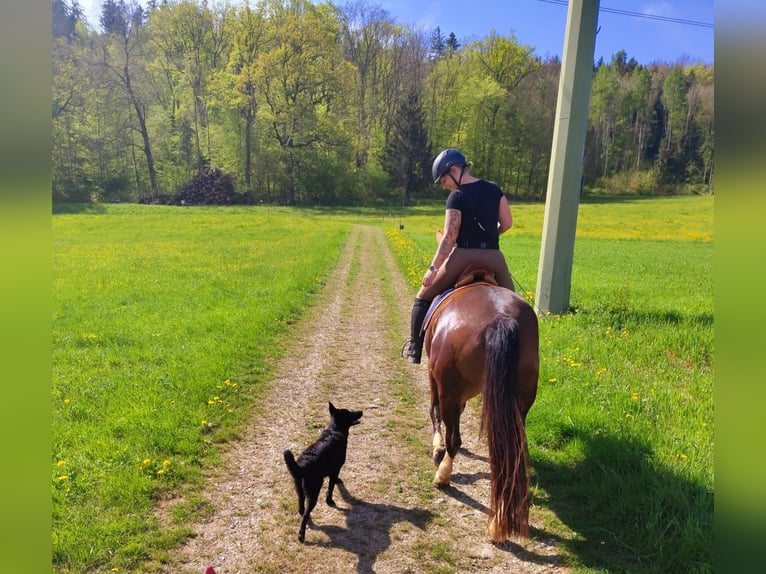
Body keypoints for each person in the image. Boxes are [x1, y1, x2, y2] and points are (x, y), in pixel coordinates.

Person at [402, 148, 516, 364]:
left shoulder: (457, 196)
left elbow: (449, 237)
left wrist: (433, 269)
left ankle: (415, 348)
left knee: (422, 297)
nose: (444, 185)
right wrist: (492, 235)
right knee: (514, 306)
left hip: (463, 256)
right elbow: (507, 223)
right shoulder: (495, 190)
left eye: (443, 179)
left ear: (454, 170)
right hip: (494, 257)